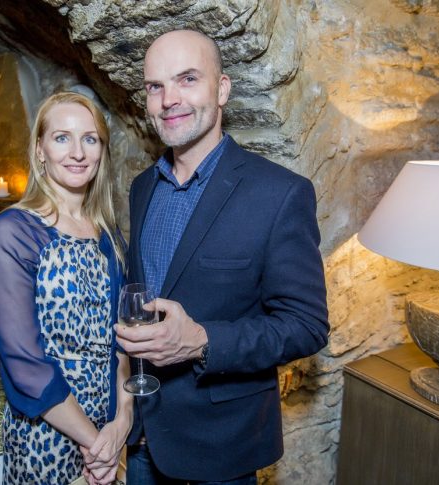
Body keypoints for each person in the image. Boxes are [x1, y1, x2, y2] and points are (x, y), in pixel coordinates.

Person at [116, 29, 330, 484]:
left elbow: (306, 326)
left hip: (220, 448)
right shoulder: (142, 188)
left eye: (188, 79)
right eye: (155, 86)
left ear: (222, 89)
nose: (169, 99)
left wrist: (201, 341)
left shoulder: (279, 193)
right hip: (143, 442)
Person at [0, 92, 132, 485]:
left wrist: (122, 421)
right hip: (46, 437)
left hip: (109, 432)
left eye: (90, 139)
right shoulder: (12, 233)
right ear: (39, 150)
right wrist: (95, 444)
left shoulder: (108, 234)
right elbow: (25, 365)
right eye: (62, 137)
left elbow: (123, 338)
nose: (78, 152)